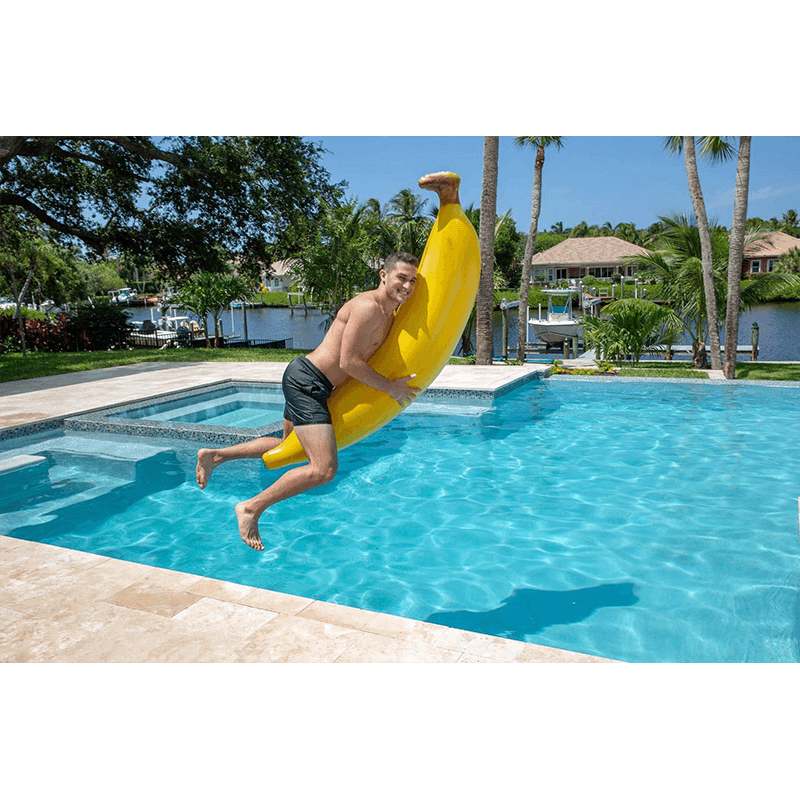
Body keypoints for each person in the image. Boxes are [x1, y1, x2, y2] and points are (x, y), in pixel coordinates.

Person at [195, 253, 421, 552]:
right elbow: (349, 362)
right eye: (401, 277)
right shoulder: (368, 307)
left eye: (413, 280)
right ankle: (251, 507)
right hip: (308, 381)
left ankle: (216, 456)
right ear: (384, 275)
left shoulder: (389, 314)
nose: (406, 285)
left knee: (286, 446)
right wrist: (390, 389)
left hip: (311, 380)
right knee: (323, 469)